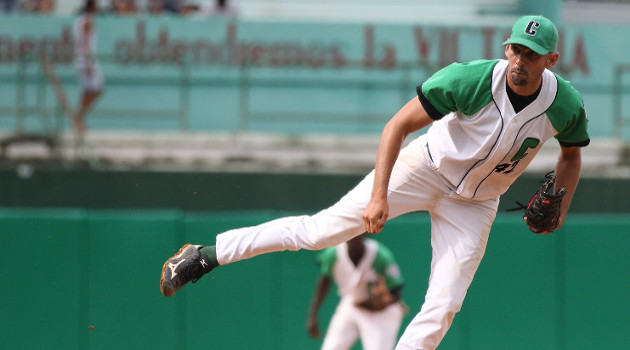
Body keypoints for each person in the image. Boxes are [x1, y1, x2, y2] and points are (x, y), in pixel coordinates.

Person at [159, 15, 589, 350]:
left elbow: (571, 155)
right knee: (319, 232)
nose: (519, 61)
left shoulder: (564, 104)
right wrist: (380, 194)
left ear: (550, 60)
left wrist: (561, 205)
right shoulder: (470, 79)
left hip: (476, 203)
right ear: (506, 47)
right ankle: (207, 254)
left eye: (531, 54)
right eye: (515, 49)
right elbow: (397, 126)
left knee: (444, 306)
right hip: (424, 168)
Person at [306, 234, 406, 350]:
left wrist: (384, 302)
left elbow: (396, 289)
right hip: (351, 303)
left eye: (356, 232)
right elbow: (324, 280)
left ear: (364, 234)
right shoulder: (334, 254)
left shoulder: (380, 255)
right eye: (350, 232)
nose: (353, 236)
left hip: (381, 312)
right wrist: (313, 314)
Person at [73, 0, 104, 133]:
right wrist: (88, 63)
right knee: (97, 89)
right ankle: (78, 118)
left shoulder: (80, 20)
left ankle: (79, 120)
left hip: (83, 59)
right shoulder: (86, 21)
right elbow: (86, 43)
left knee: (88, 90)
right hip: (86, 60)